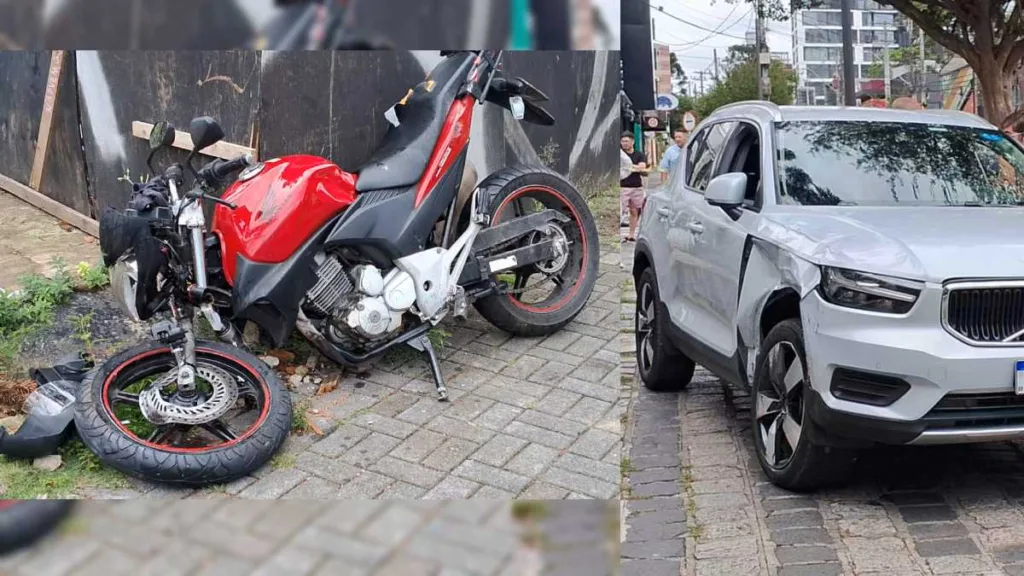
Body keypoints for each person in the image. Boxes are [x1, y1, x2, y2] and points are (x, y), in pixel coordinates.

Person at [620, 132, 648, 242]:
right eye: (622, 141)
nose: (624, 143)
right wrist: (633, 168)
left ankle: (631, 235)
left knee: (635, 211)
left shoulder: (639, 155)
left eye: (626, 141)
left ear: (632, 142)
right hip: (623, 187)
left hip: (637, 186)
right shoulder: (620, 155)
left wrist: (629, 167)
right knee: (620, 211)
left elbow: (642, 167)